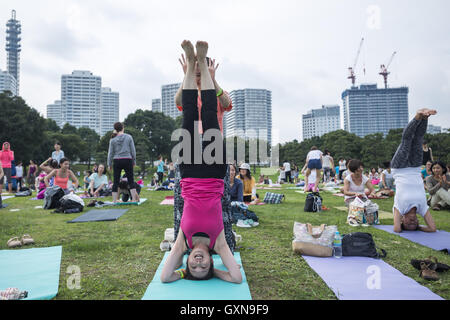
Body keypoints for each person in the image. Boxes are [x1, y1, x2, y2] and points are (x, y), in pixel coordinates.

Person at [161, 40, 241, 284]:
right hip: (215, 173)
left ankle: (191, 55)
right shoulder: (219, 243)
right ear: (210, 262)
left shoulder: (182, 242)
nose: (198, 263)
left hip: (190, 173)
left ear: (185, 262)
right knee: (208, 113)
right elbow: (236, 278)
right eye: (202, 266)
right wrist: (215, 272)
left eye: (192, 267)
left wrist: (185, 273)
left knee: (188, 115)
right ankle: (201, 56)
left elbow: (165, 278)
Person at [391, 109, 437, 233]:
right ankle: (425, 117)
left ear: (402, 220)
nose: (412, 222)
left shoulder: (400, 208)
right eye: (414, 224)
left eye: (408, 224)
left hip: (399, 168)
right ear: (418, 221)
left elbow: (396, 229)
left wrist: (404, 226)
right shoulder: (422, 209)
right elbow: (432, 229)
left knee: (406, 141)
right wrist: (419, 228)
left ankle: (417, 116)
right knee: (418, 139)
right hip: (416, 167)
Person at [175, 51, 232, 135]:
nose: (198, 69)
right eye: (195, 66)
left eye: (201, 66)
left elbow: (227, 104)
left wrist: (212, 80)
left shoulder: (217, 92)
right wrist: (187, 76)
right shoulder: (189, 93)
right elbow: (178, 102)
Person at [107, 122, 139, 203]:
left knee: (116, 180)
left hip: (117, 160)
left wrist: (109, 164)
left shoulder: (112, 140)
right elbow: (133, 150)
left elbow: (110, 153)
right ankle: (134, 199)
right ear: (123, 128)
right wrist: (134, 160)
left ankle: (114, 200)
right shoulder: (129, 137)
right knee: (131, 180)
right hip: (127, 159)